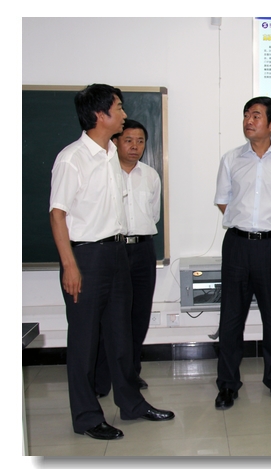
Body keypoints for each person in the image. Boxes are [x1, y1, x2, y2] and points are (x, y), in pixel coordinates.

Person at [49, 84, 174, 441]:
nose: (124, 113)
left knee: (121, 336)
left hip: (118, 255)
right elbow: (57, 215)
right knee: (85, 342)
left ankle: (132, 404)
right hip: (86, 258)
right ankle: (87, 417)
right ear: (100, 114)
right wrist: (70, 266)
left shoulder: (109, 156)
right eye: (118, 107)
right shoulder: (72, 158)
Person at [214, 96, 271, 410]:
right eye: (246, 115)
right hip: (237, 245)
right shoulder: (230, 159)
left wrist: (268, 227)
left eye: (255, 115)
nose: (248, 120)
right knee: (231, 319)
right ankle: (227, 384)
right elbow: (223, 200)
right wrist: (248, 226)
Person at [94, 119, 161, 397]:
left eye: (140, 141)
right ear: (116, 142)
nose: (135, 146)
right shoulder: (105, 173)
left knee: (139, 314)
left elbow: (154, 215)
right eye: (129, 140)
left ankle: (131, 374)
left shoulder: (151, 175)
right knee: (109, 317)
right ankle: (102, 377)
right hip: (115, 249)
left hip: (143, 249)